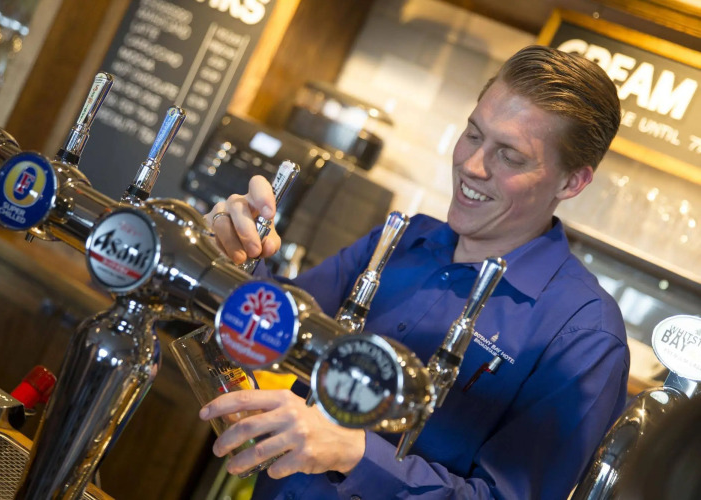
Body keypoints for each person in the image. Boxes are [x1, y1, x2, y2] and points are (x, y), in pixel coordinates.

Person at [200, 45, 629, 499]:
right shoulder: (402, 240)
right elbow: (272, 333)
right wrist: (236, 257)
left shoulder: (585, 336)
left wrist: (355, 454)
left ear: (572, 181)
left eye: (510, 156)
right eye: (473, 134)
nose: (472, 165)